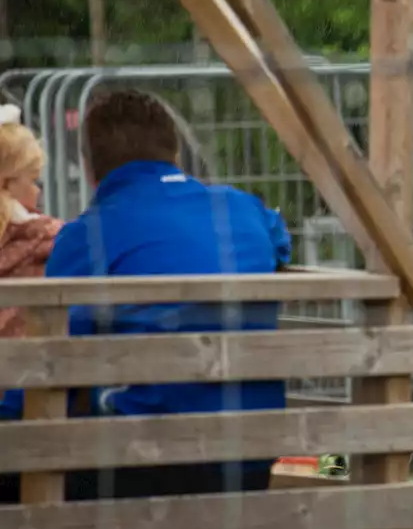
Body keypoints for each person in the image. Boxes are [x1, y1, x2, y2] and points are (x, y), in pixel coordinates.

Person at [0, 88, 292, 499]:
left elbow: (53, 366)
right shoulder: (244, 210)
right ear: (175, 154)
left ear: (89, 169)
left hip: (137, 474)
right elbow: (281, 241)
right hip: (247, 467)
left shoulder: (88, 235)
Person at [0, 104, 62, 338]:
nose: (37, 191)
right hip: (27, 369)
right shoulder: (46, 238)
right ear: (7, 184)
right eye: (34, 180)